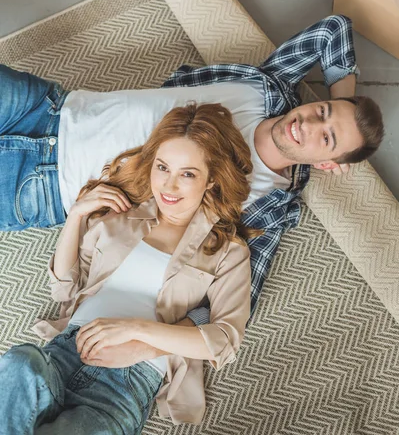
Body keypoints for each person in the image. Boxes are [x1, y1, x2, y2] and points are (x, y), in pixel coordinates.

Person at [0, 14, 384, 326]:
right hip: (52, 107)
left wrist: (152, 335)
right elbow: (333, 29)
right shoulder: (273, 87)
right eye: (322, 113)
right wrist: (343, 100)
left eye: (328, 139)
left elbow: (232, 305)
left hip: (43, 188)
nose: (309, 125)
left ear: (327, 164)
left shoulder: (267, 207)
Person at [0, 103, 259, 432]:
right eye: (163, 167)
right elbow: (64, 287)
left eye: (188, 174)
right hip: (66, 350)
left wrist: (139, 334)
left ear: (210, 180)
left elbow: (223, 339)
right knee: (19, 364)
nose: (169, 185)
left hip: (128, 382)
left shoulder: (227, 251)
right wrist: (77, 216)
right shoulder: (120, 215)